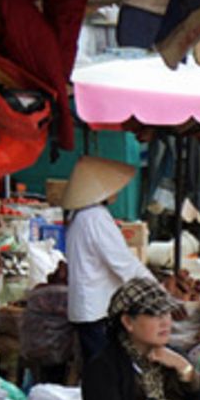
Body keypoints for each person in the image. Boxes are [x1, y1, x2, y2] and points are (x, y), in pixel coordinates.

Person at [62, 156, 155, 364]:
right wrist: (153, 288)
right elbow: (121, 262)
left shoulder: (81, 216)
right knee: (104, 371)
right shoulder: (95, 217)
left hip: (89, 307)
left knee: (99, 368)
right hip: (96, 309)